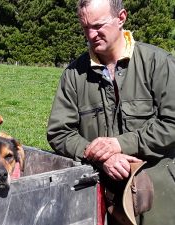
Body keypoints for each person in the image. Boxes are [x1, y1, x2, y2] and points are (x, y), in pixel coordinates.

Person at [47, 0, 175, 224]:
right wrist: (97, 154)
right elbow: (59, 133)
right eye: (85, 27)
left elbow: (172, 122)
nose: (91, 34)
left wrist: (120, 144)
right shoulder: (74, 75)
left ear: (121, 17)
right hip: (102, 199)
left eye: (98, 26)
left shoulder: (158, 63)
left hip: (161, 199)